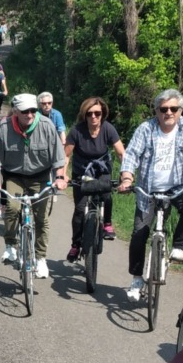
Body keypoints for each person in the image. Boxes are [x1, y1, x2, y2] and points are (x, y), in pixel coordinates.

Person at [118, 89, 183, 302]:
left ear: (180, 110)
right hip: (148, 189)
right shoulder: (146, 129)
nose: (169, 113)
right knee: (138, 233)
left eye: (174, 109)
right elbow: (132, 155)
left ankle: (179, 247)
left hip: (178, 187)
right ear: (156, 110)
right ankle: (137, 279)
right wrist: (127, 178)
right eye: (164, 109)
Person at [0, 93, 67, 280]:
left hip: (40, 177)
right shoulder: (5, 129)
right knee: (12, 208)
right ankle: (10, 246)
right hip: (14, 176)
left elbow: (58, 157)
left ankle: (40, 259)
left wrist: (60, 177)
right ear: (16, 111)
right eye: (25, 112)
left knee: (41, 217)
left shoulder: (46, 126)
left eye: (33, 111)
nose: (29, 115)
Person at [64, 98, 125, 261]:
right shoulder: (77, 131)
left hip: (101, 169)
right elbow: (66, 155)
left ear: (102, 114)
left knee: (106, 194)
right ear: (84, 115)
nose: (93, 117)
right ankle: (75, 245)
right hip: (81, 171)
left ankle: (107, 224)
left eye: (97, 113)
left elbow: (120, 153)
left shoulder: (108, 129)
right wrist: (63, 174)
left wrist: (125, 175)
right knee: (79, 209)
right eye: (89, 113)